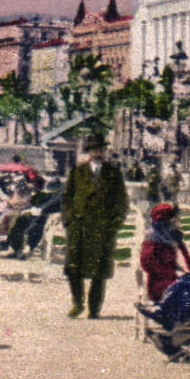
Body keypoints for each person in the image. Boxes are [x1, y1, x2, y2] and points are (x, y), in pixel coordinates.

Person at [62, 135, 129, 319]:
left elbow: (122, 202)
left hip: (102, 229)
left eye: (100, 149)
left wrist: (113, 225)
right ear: (88, 153)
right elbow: (67, 198)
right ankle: (77, 303)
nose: (97, 153)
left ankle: (94, 307)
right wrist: (69, 220)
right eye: (93, 150)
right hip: (79, 227)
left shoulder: (113, 174)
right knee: (74, 267)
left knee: (99, 271)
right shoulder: (77, 172)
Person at [139, 202, 190, 303]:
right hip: (160, 285)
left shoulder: (168, 238)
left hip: (170, 280)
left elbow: (179, 252)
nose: (173, 225)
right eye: (169, 222)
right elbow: (146, 263)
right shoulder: (152, 241)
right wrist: (165, 272)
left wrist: (185, 267)